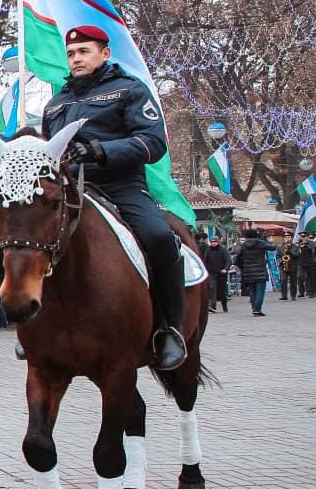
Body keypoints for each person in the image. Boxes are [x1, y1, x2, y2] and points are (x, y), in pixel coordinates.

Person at [41, 24, 186, 369]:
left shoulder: (129, 91)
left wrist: (101, 150)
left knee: (159, 236)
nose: (76, 58)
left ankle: (169, 328)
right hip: (72, 189)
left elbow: (153, 142)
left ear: (104, 54)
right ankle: (38, 325)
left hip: (121, 186)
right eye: (72, 53)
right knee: (28, 239)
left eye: (84, 51)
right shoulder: (55, 104)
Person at [233, 229, 271, 316]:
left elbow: (237, 258)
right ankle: (257, 309)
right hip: (260, 270)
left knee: (252, 290)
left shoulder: (244, 245)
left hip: (248, 271)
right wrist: (265, 239)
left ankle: (254, 308)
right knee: (260, 291)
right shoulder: (260, 243)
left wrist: (242, 267)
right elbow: (272, 247)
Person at [202, 235, 231, 313]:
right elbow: (205, 261)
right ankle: (213, 306)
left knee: (222, 291)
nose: (213, 243)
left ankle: (224, 305)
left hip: (222, 274)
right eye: (212, 242)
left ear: (218, 242)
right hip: (211, 273)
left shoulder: (223, 250)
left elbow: (228, 260)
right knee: (212, 288)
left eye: (215, 242)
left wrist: (225, 269)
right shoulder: (208, 250)